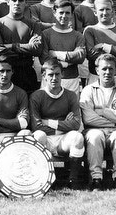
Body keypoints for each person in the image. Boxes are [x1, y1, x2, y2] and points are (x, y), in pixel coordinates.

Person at [80, 54, 116, 191]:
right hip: (95, 130)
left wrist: (104, 111)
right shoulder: (88, 90)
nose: (107, 72)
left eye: (111, 68)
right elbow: (88, 119)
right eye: (104, 69)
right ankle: (96, 179)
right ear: (97, 70)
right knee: (95, 136)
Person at [30, 59, 84, 189]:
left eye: (57, 74)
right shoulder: (36, 96)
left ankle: (73, 180)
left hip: (62, 141)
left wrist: (48, 122)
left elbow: (76, 124)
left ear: (62, 75)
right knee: (38, 135)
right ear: (44, 76)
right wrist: (64, 124)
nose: (54, 78)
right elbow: (36, 126)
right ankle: (42, 178)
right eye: (50, 74)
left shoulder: (70, 95)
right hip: (46, 140)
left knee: (77, 137)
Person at [0, 0, 42, 94]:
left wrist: (10, 46)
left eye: (20, 0)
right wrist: (27, 47)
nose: (17, 3)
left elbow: (37, 49)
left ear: (26, 3)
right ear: (8, 1)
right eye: (14, 0)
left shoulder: (33, 24)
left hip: (26, 72)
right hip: (5, 72)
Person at [39, 0, 85, 95]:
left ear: (72, 14)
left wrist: (55, 53)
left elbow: (80, 57)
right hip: (50, 79)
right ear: (54, 13)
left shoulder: (78, 35)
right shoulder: (46, 34)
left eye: (67, 13)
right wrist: (69, 61)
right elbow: (44, 59)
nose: (64, 16)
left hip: (71, 79)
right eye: (61, 12)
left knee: (70, 109)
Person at [83, 0, 116, 87]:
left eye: (107, 9)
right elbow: (91, 54)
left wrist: (104, 46)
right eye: (101, 10)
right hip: (95, 77)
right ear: (95, 12)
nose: (104, 13)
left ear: (112, 11)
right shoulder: (90, 30)